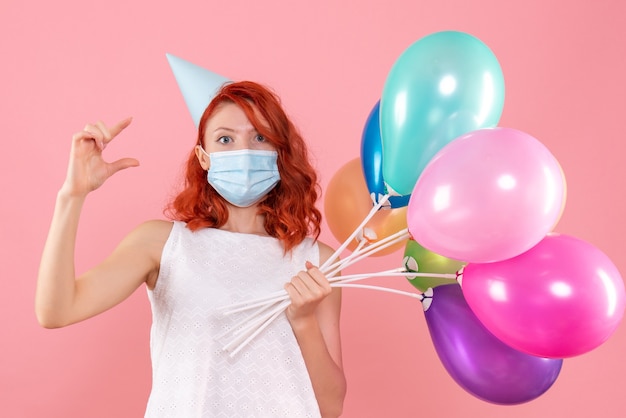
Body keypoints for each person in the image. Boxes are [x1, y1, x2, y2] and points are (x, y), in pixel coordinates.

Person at [36, 81, 347, 417]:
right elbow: (57, 311)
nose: (243, 152)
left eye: (260, 137)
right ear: (204, 157)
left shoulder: (318, 262)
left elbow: (330, 407)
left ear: (279, 152)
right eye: (225, 139)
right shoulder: (162, 244)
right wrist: (71, 196)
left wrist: (303, 322)